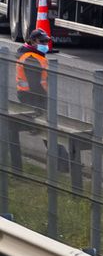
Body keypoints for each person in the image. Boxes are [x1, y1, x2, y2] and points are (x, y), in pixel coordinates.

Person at [16, 28, 70, 171]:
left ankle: (63, 163)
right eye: (42, 41)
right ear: (33, 42)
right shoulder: (31, 58)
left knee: (49, 132)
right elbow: (35, 85)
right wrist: (42, 105)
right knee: (49, 130)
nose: (46, 44)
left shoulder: (33, 54)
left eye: (47, 41)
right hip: (33, 98)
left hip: (32, 97)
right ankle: (64, 164)